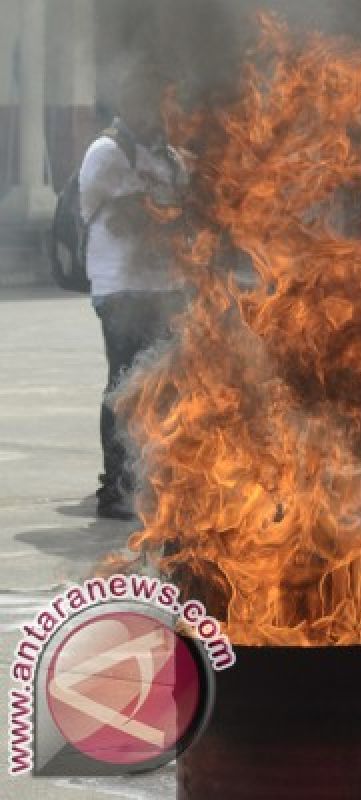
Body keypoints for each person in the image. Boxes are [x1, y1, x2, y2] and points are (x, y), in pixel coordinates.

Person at [81, 65, 187, 520]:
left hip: (166, 287)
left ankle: (154, 481)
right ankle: (116, 487)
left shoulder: (169, 158)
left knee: (165, 388)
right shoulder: (106, 153)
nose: (156, 111)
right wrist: (155, 209)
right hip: (121, 286)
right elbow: (108, 214)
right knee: (125, 386)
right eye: (146, 100)